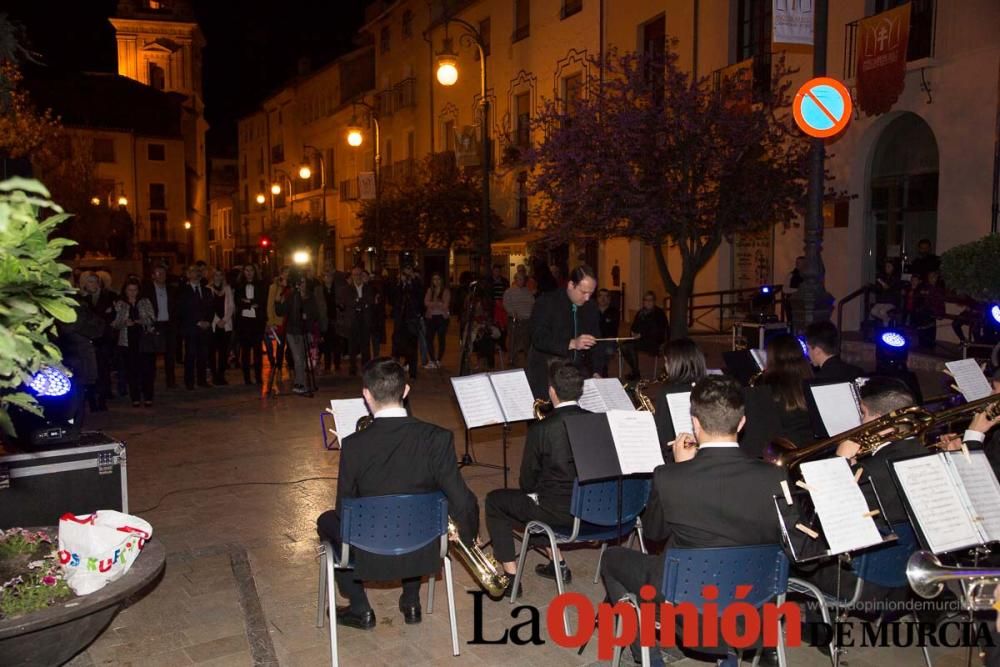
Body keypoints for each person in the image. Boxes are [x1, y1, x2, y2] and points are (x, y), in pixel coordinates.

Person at [600, 375, 787, 665]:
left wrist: (677, 468)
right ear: (741, 423)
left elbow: (653, 533)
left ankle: (646, 653)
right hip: (752, 608)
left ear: (695, 424)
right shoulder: (776, 476)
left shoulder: (669, 476)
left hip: (689, 613)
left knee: (611, 558)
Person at [315, 358, 479, 629]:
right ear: (406, 391)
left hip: (370, 546)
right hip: (424, 546)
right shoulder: (438, 438)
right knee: (411, 518)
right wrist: (469, 536)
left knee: (327, 521)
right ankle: (411, 600)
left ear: (366, 395)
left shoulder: (354, 445)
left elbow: (344, 510)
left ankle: (359, 607)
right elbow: (462, 499)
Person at [797, 378, 926, 599]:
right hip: (909, 574)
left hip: (863, 581)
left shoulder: (868, 473)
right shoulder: (929, 456)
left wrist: (840, 463)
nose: (861, 422)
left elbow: (821, 517)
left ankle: (816, 630)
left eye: (863, 414)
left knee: (790, 554)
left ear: (878, 420)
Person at [485, 360, 588, 594]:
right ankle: (558, 564)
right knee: (544, 499)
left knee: (496, 501)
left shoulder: (542, 429)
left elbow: (526, 482)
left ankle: (511, 578)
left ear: (551, 391)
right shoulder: (598, 420)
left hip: (558, 516)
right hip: (591, 513)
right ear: (580, 390)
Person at [526, 265, 600, 399]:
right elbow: (538, 338)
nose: (588, 298)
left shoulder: (591, 307)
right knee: (547, 417)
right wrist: (571, 343)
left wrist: (596, 370)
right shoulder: (547, 302)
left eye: (591, 293)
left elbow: (596, 342)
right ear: (571, 285)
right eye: (584, 292)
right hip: (547, 373)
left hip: (577, 374)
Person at [741, 334, 815, 458]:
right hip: (810, 450)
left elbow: (758, 430)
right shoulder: (811, 383)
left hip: (778, 453)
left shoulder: (765, 387)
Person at [653, 337, 708, 451]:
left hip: (679, 451)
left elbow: (664, 437)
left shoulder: (667, 391)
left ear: (675, 364)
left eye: (666, 361)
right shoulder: (709, 386)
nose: (665, 366)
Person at [111, 279, 156, 407]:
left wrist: (142, 321)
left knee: (147, 370)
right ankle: (135, 397)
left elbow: (152, 318)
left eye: (135, 290)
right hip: (127, 342)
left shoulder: (145, 302)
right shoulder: (120, 304)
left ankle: (148, 396)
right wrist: (125, 323)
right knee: (132, 371)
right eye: (130, 290)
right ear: (125, 291)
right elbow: (114, 323)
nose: (132, 293)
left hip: (143, 340)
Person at [275, 270, 319, 395]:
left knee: (303, 359)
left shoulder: (310, 296)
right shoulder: (291, 295)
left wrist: (308, 321)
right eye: (299, 283)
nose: (301, 285)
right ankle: (299, 384)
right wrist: (279, 298)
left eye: (303, 282)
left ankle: (301, 383)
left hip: (305, 330)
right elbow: (280, 311)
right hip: (292, 332)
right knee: (298, 359)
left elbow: (314, 313)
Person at [80, 272, 118, 404]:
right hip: (87, 339)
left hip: (103, 337)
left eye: (96, 281)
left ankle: (104, 392)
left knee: (104, 366)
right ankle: (91, 394)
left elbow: (110, 315)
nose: (94, 284)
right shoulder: (81, 299)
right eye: (90, 281)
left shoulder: (106, 297)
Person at [176, 264, 214, 390]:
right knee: (190, 355)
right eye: (193, 271)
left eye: (198, 271)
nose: (197, 274)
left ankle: (202, 380)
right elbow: (182, 311)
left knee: (203, 355)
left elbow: (211, 308)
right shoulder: (183, 291)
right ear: (188, 274)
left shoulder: (207, 290)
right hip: (191, 328)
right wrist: (197, 322)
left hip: (205, 328)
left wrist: (208, 321)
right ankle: (189, 381)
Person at [141, 265, 176, 389]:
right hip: (155, 324)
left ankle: (171, 380)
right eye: (158, 273)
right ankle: (150, 380)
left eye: (163, 273)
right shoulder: (147, 290)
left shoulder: (171, 289)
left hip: (168, 325)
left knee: (170, 354)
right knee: (152, 355)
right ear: (153, 276)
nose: (161, 275)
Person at [623, 291, 668, 380]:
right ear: (643, 301)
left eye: (650, 300)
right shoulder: (640, 313)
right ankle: (635, 370)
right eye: (646, 300)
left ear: (654, 301)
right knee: (624, 345)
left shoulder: (659, 313)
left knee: (630, 346)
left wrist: (642, 335)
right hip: (640, 340)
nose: (648, 302)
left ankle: (635, 373)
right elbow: (634, 326)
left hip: (654, 342)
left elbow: (658, 331)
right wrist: (633, 333)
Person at [338, 266, 374, 375]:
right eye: (355, 275)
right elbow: (347, 302)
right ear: (352, 276)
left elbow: (370, 301)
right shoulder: (347, 289)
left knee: (365, 345)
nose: (357, 277)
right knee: (352, 345)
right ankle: (352, 368)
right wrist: (360, 302)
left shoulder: (368, 288)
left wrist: (359, 302)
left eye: (359, 274)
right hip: (353, 319)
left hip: (364, 319)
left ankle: (366, 367)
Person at [235, 264, 266, 385]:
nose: (249, 273)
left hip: (257, 321)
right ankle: (247, 378)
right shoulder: (239, 286)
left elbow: (261, 301)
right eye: (246, 270)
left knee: (258, 351)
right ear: (243, 272)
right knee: (245, 352)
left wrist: (247, 301)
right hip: (243, 322)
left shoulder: (261, 285)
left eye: (251, 270)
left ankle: (258, 376)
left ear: (255, 272)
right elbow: (238, 302)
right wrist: (250, 303)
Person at [392, 264, 423, 379]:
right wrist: (400, 283)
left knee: (412, 346)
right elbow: (393, 298)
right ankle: (396, 371)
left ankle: (413, 372)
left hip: (411, 319)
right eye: (404, 272)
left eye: (408, 272)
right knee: (397, 345)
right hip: (399, 319)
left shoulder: (416, 284)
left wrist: (412, 281)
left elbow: (419, 297)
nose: (406, 275)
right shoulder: (399, 285)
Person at [208, 268, 234, 386]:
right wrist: (217, 320)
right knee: (212, 352)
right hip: (214, 325)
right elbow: (208, 308)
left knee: (224, 352)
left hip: (225, 325)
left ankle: (221, 375)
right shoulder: (208, 289)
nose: (218, 277)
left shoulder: (227, 289)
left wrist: (224, 320)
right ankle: (214, 375)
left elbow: (231, 306)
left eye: (220, 275)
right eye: (215, 275)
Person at [502, 272, 534, 367]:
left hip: (526, 319)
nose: (521, 281)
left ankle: (528, 361)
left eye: (522, 279)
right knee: (513, 341)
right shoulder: (509, 291)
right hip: (515, 319)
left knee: (526, 342)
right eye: (519, 279)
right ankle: (512, 359)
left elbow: (532, 303)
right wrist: (512, 312)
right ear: (515, 280)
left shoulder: (528, 291)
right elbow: (506, 304)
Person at [423, 272, 450, 369]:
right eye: (434, 279)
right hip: (431, 318)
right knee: (429, 338)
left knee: (441, 339)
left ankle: (439, 360)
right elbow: (426, 302)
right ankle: (433, 360)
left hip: (442, 318)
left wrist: (434, 304)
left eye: (438, 279)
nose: (436, 281)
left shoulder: (445, 291)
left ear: (441, 280)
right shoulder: (430, 290)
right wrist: (437, 303)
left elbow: (445, 305)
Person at [870, 259, 904, 327]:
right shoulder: (883, 276)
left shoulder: (896, 277)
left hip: (891, 301)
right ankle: (887, 319)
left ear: (893, 267)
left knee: (882, 311)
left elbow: (887, 287)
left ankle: (886, 327)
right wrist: (871, 286)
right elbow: (878, 288)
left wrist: (880, 281)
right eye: (886, 266)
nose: (886, 268)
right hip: (882, 301)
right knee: (873, 311)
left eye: (889, 266)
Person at [594, 288, 620, 377]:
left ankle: (602, 372)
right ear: (597, 298)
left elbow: (612, 329)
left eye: (606, 296)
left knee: (606, 350)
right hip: (595, 339)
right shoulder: (592, 310)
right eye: (601, 296)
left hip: (609, 340)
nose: (603, 299)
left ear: (609, 299)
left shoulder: (614, 312)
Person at [319, 269, 341, 372]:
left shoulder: (337, 289)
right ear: (323, 278)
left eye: (330, 276)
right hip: (325, 320)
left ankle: (337, 364)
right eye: (326, 276)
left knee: (337, 343)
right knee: (326, 345)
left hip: (335, 319)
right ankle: (327, 366)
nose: (328, 278)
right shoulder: (318, 290)